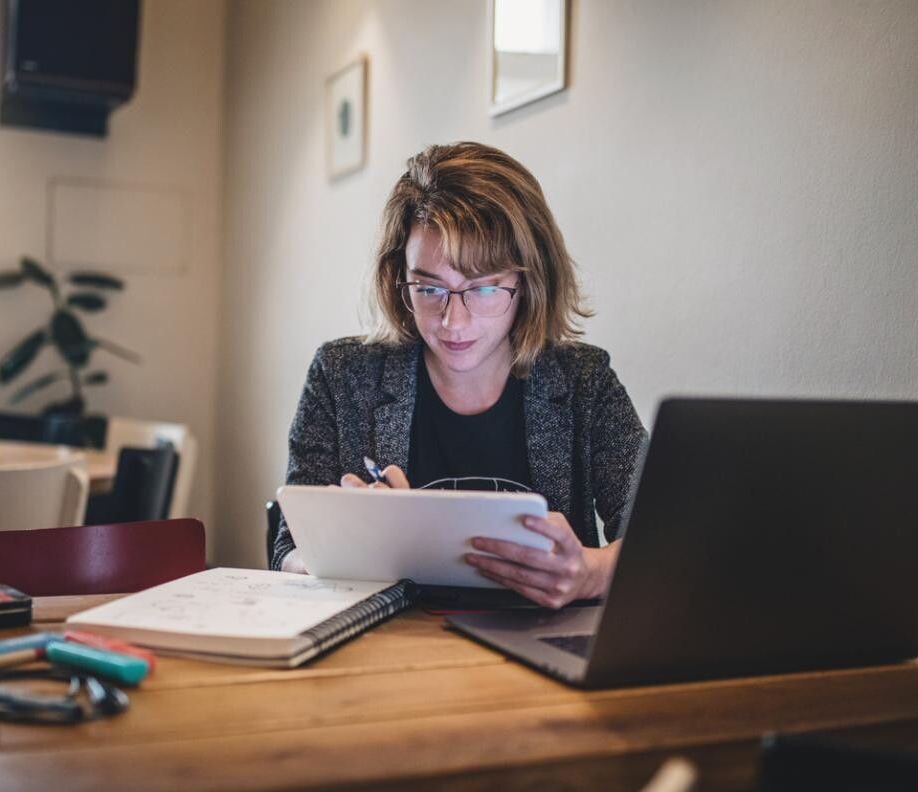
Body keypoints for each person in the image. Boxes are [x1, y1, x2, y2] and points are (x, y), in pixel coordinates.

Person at [270, 142, 647, 610]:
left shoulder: (583, 383)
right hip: (389, 651)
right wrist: (355, 547)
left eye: (483, 288)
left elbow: (666, 540)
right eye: (429, 288)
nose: (453, 322)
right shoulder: (343, 375)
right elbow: (286, 552)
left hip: (543, 648)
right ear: (398, 278)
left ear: (528, 281)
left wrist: (591, 574)